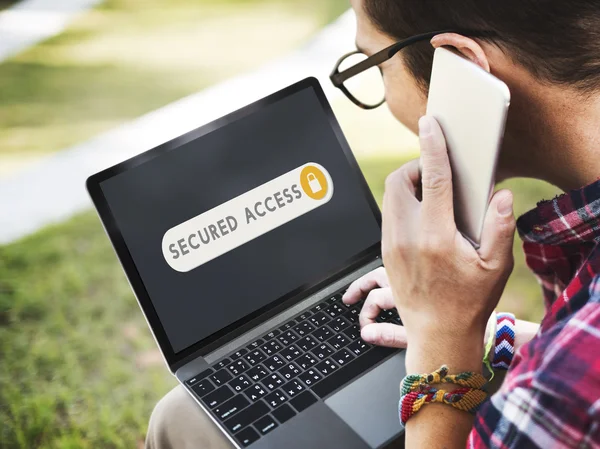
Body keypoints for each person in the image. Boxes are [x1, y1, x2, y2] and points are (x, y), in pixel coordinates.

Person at [146, 0, 600, 447]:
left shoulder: (568, 392)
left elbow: (569, 377)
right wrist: (484, 334)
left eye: (374, 65)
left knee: (178, 421)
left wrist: (442, 343)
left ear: (464, 69)